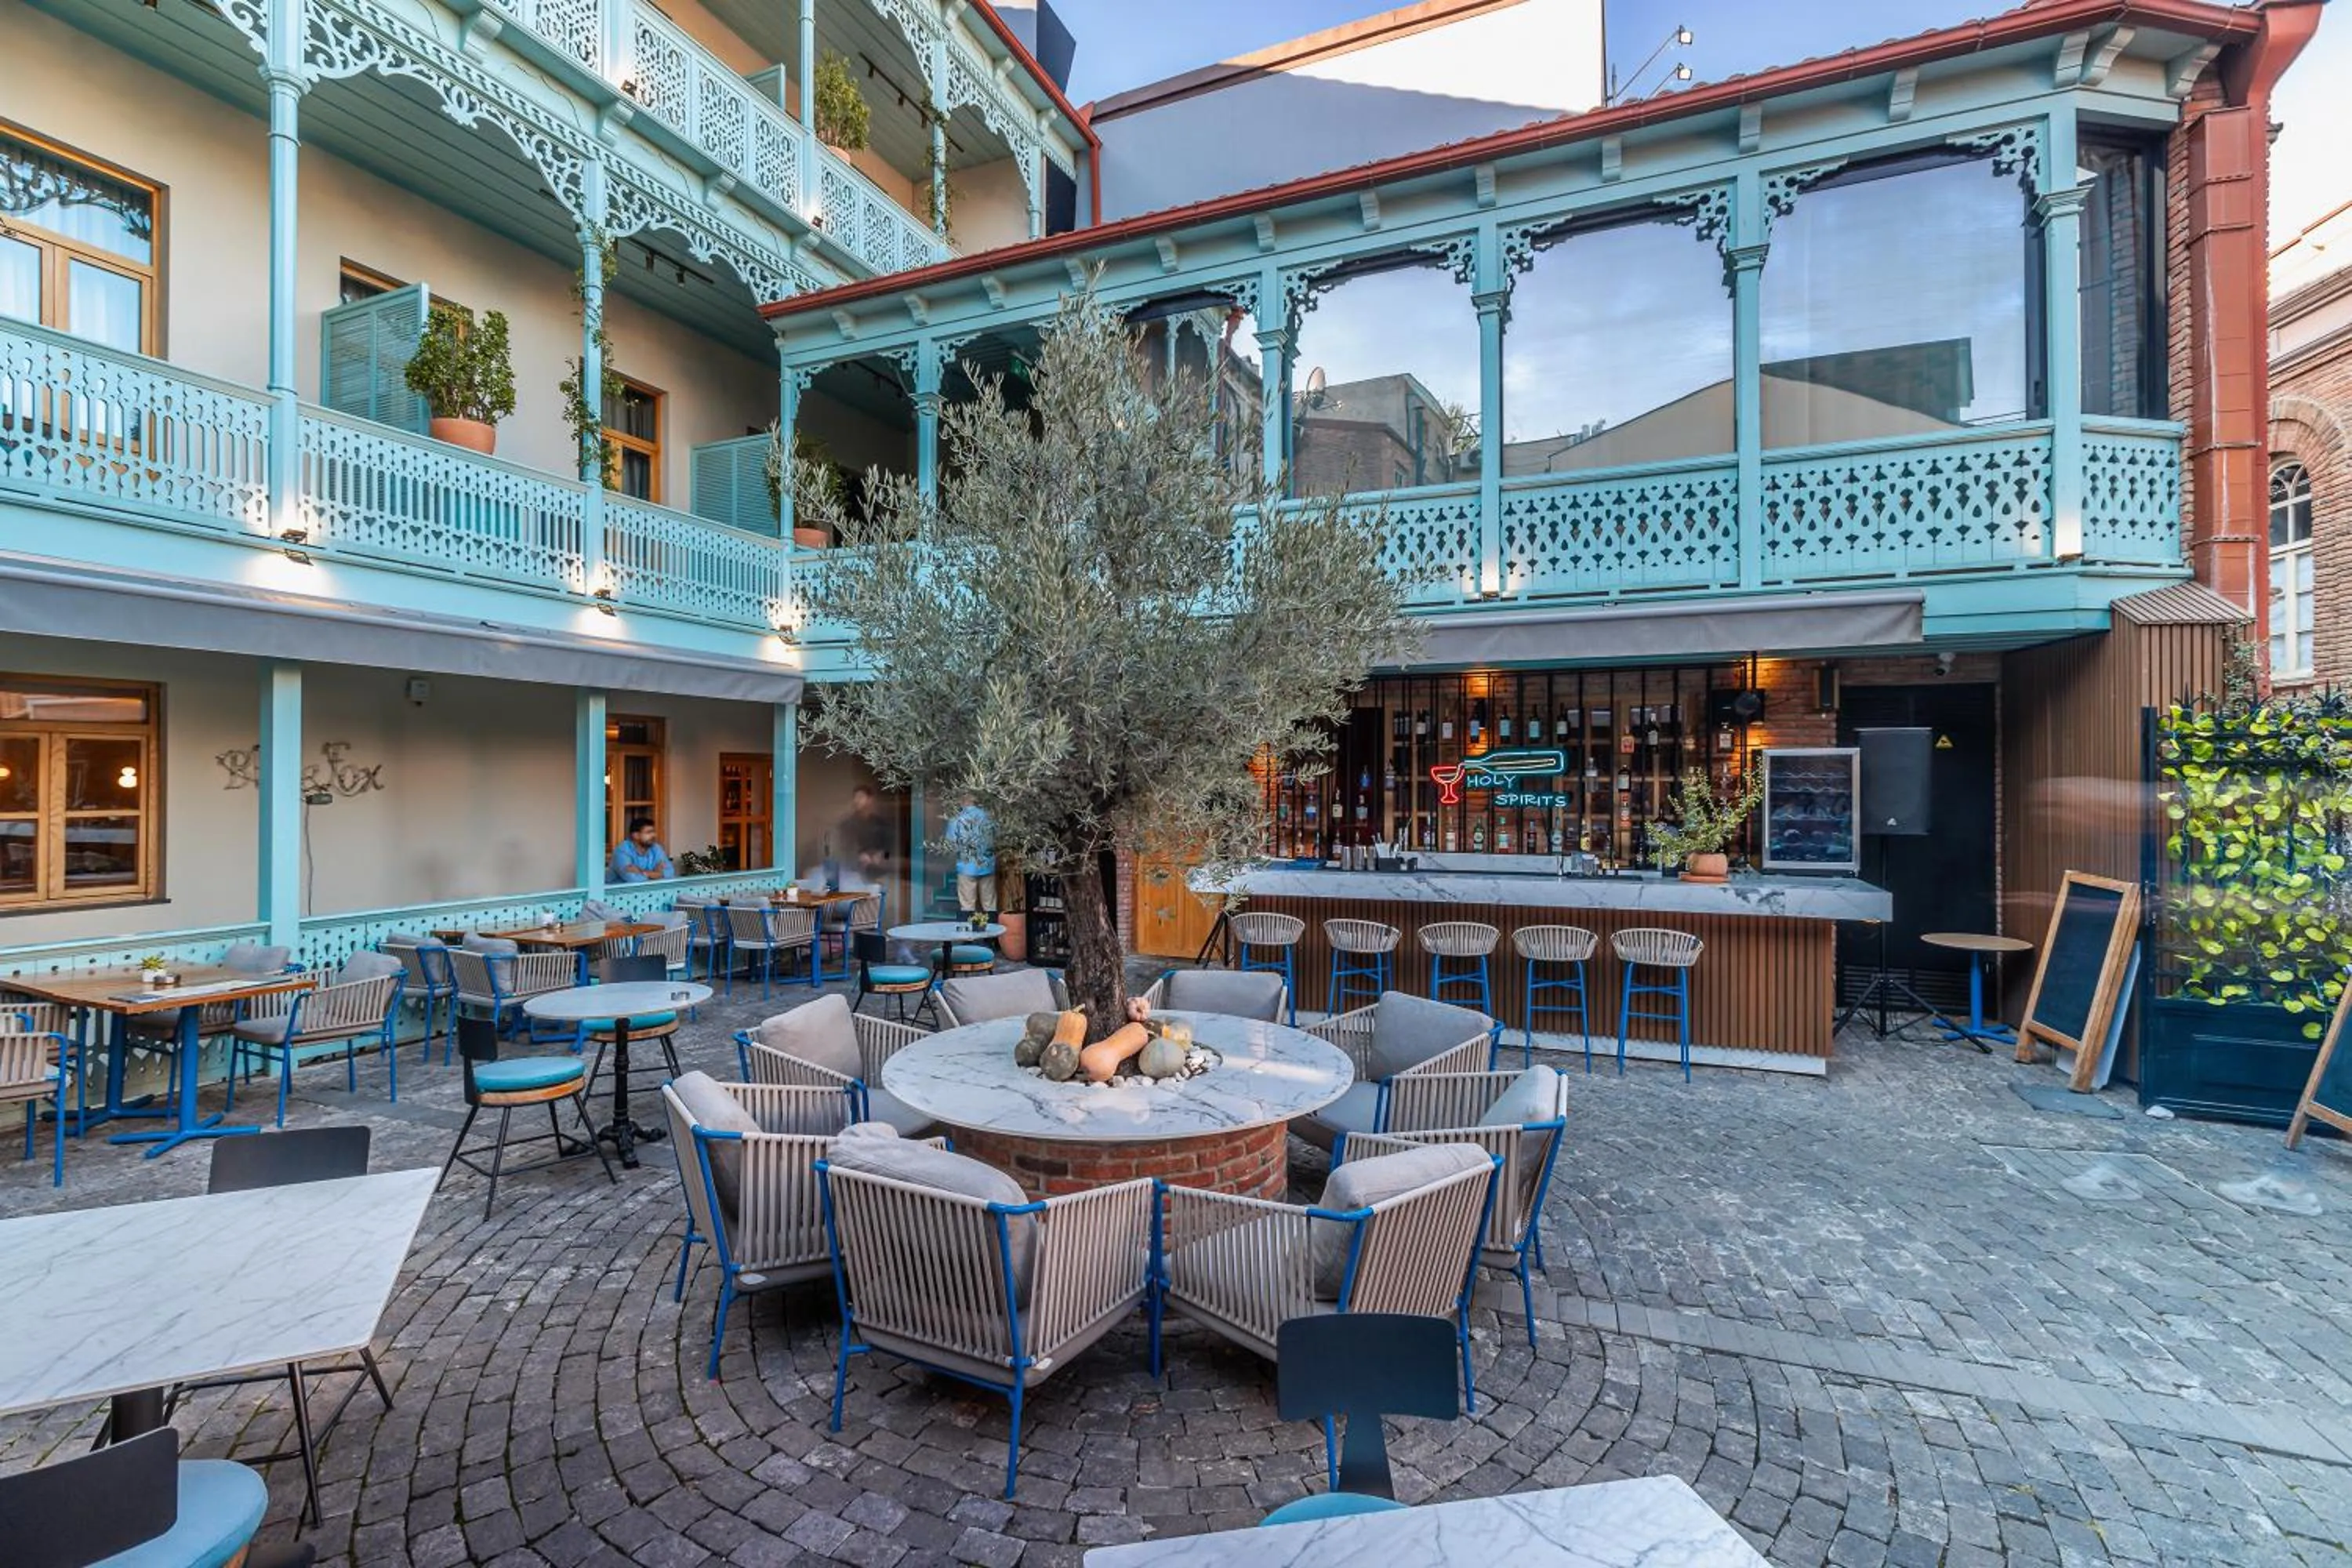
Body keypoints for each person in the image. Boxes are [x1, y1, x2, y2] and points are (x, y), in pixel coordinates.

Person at [945, 793, 998, 919]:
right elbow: (997, 838)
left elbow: (951, 844)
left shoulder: (957, 819)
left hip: (966, 867)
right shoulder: (989, 817)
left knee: (967, 906)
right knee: (990, 905)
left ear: (962, 801)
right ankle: (992, 937)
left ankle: (968, 937)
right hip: (987, 865)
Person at [842, 786, 895, 884]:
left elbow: (889, 848)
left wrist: (882, 856)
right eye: (855, 797)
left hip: (879, 875)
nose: (857, 801)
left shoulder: (881, 823)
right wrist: (858, 856)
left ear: (870, 800)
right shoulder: (847, 824)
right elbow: (843, 850)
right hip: (855, 875)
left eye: (861, 797)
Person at [611, 817, 673, 882]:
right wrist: (657, 874)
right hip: (620, 891)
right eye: (649, 832)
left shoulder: (656, 848)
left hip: (648, 890)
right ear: (636, 836)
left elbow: (670, 872)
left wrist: (641, 871)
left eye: (653, 832)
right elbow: (633, 879)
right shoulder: (622, 850)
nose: (654, 835)